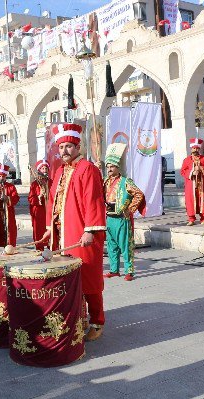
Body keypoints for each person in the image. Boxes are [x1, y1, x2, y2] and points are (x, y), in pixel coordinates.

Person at [40, 123, 107, 342]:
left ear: (77, 147)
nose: (64, 151)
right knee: (69, 280)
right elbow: (53, 201)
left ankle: (97, 321)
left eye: (69, 146)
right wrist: (50, 228)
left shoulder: (87, 168)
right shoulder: (59, 171)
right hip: (62, 235)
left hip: (82, 233)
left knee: (88, 279)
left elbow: (94, 199)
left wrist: (90, 229)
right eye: (61, 147)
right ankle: (80, 319)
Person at [103, 143, 145, 281]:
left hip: (121, 218)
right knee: (111, 246)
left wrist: (130, 209)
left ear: (118, 167)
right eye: (108, 167)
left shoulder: (126, 181)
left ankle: (129, 270)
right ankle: (114, 269)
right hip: (109, 218)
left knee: (125, 246)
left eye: (112, 167)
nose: (109, 169)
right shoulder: (105, 182)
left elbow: (139, 194)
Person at [180, 138, 204, 226]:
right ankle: (191, 219)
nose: (195, 150)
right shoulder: (186, 160)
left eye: (197, 148)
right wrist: (192, 172)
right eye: (194, 148)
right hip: (191, 185)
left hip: (202, 184)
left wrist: (201, 168)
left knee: (203, 200)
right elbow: (182, 171)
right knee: (190, 201)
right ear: (191, 149)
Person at [28, 160, 51, 251]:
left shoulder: (51, 182)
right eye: (42, 168)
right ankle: (39, 250)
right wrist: (39, 196)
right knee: (39, 231)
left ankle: (51, 249)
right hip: (39, 213)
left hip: (49, 212)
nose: (44, 170)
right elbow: (31, 199)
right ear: (39, 170)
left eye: (46, 168)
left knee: (51, 232)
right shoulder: (34, 184)